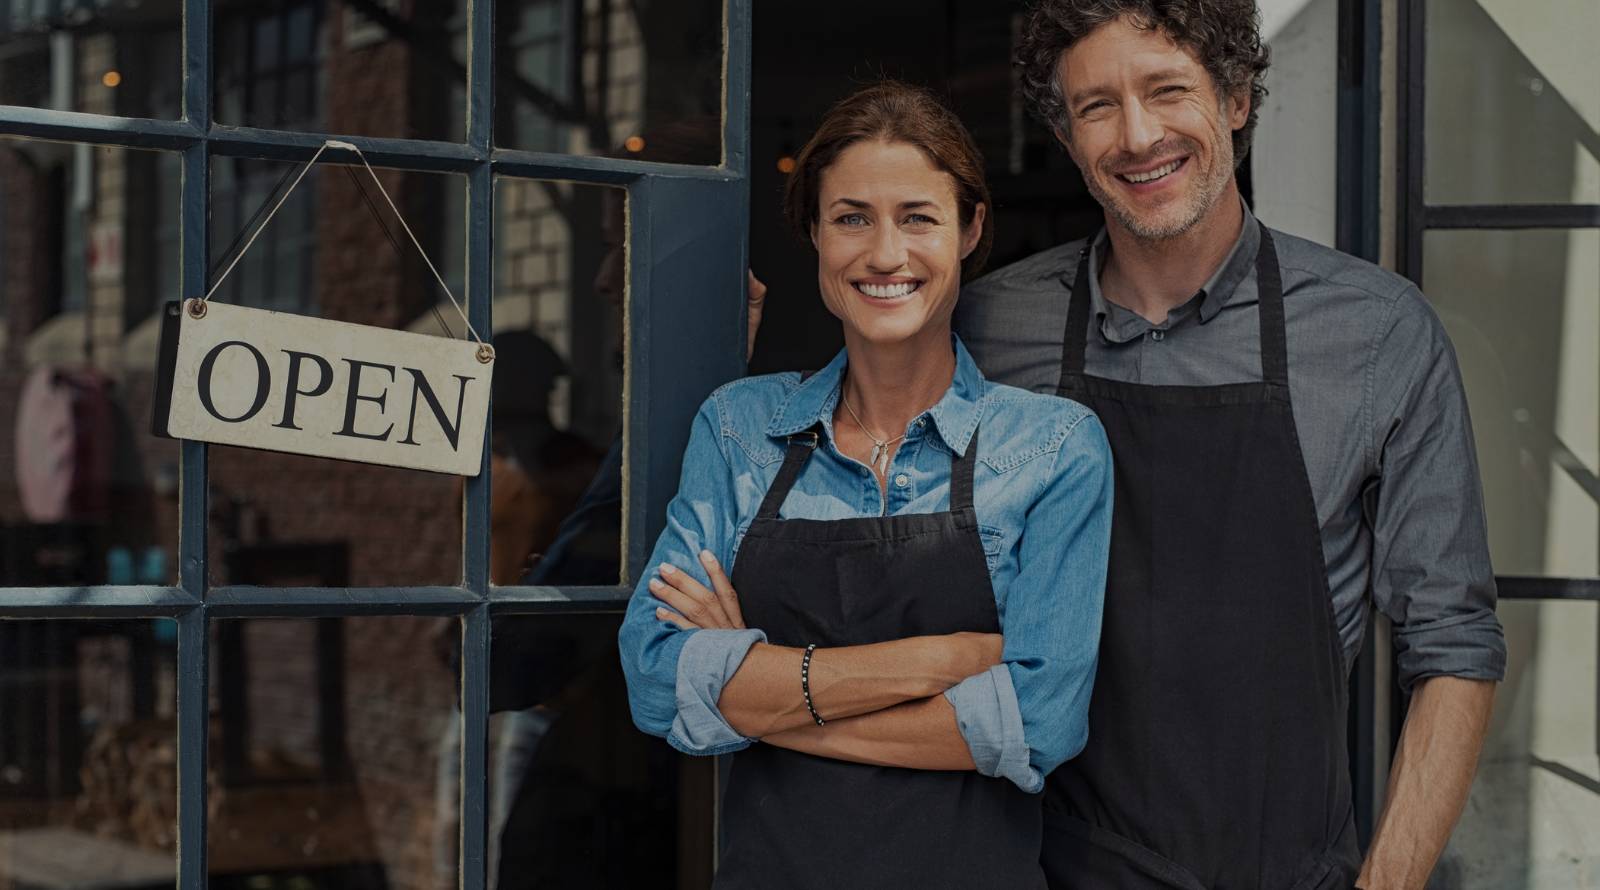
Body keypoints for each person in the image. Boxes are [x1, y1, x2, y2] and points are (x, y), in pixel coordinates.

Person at [954, 2, 1506, 888]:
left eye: (1168, 90)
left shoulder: (1376, 334)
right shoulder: (988, 328)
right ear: (1066, 135)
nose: (1138, 135)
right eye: (1097, 106)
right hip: (1041, 869)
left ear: (1238, 96)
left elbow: (1454, 645)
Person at [618, 81, 1113, 889]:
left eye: (918, 217)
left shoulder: (1051, 447)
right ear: (814, 232)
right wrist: (941, 660)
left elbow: (1039, 722)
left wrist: (759, 705)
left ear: (971, 229)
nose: (885, 254)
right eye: (851, 217)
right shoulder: (741, 428)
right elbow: (654, 675)